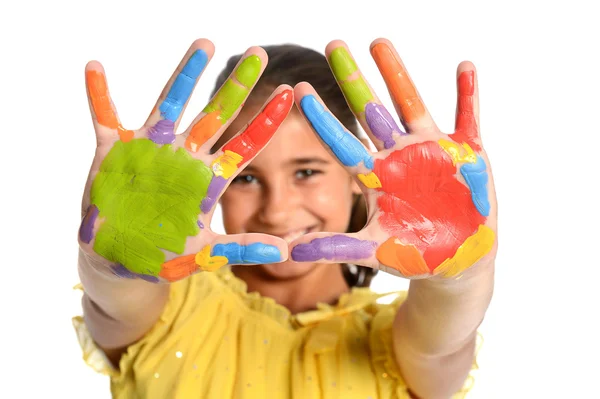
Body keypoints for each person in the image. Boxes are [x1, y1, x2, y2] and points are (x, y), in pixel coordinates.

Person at [74, 37, 496, 399]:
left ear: (360, 175)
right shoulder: (169, 312)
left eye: (307, 172)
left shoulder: (396, 345)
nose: (276, 210)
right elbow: (115, 311)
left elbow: (441, 347)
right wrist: (113, 269)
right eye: (247, 178)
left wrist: (462, 278)